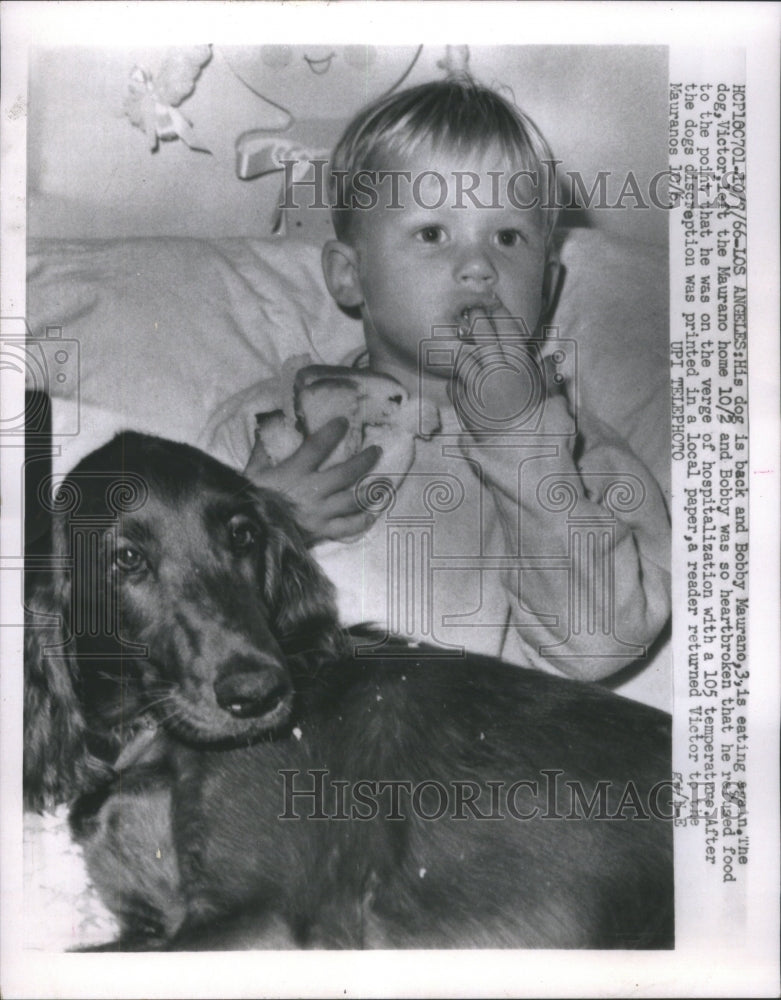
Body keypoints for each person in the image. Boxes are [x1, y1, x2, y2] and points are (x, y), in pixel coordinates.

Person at [201, 77, 671, 684]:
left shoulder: (581, 453)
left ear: (549, 290)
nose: (479, 267)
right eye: (432, 233)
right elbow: (175, 616)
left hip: (469, 765)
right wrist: (261, 531)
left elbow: (599, 646)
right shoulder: (265, 424)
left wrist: (523, 445)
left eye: (507, 237)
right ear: (350, 277)